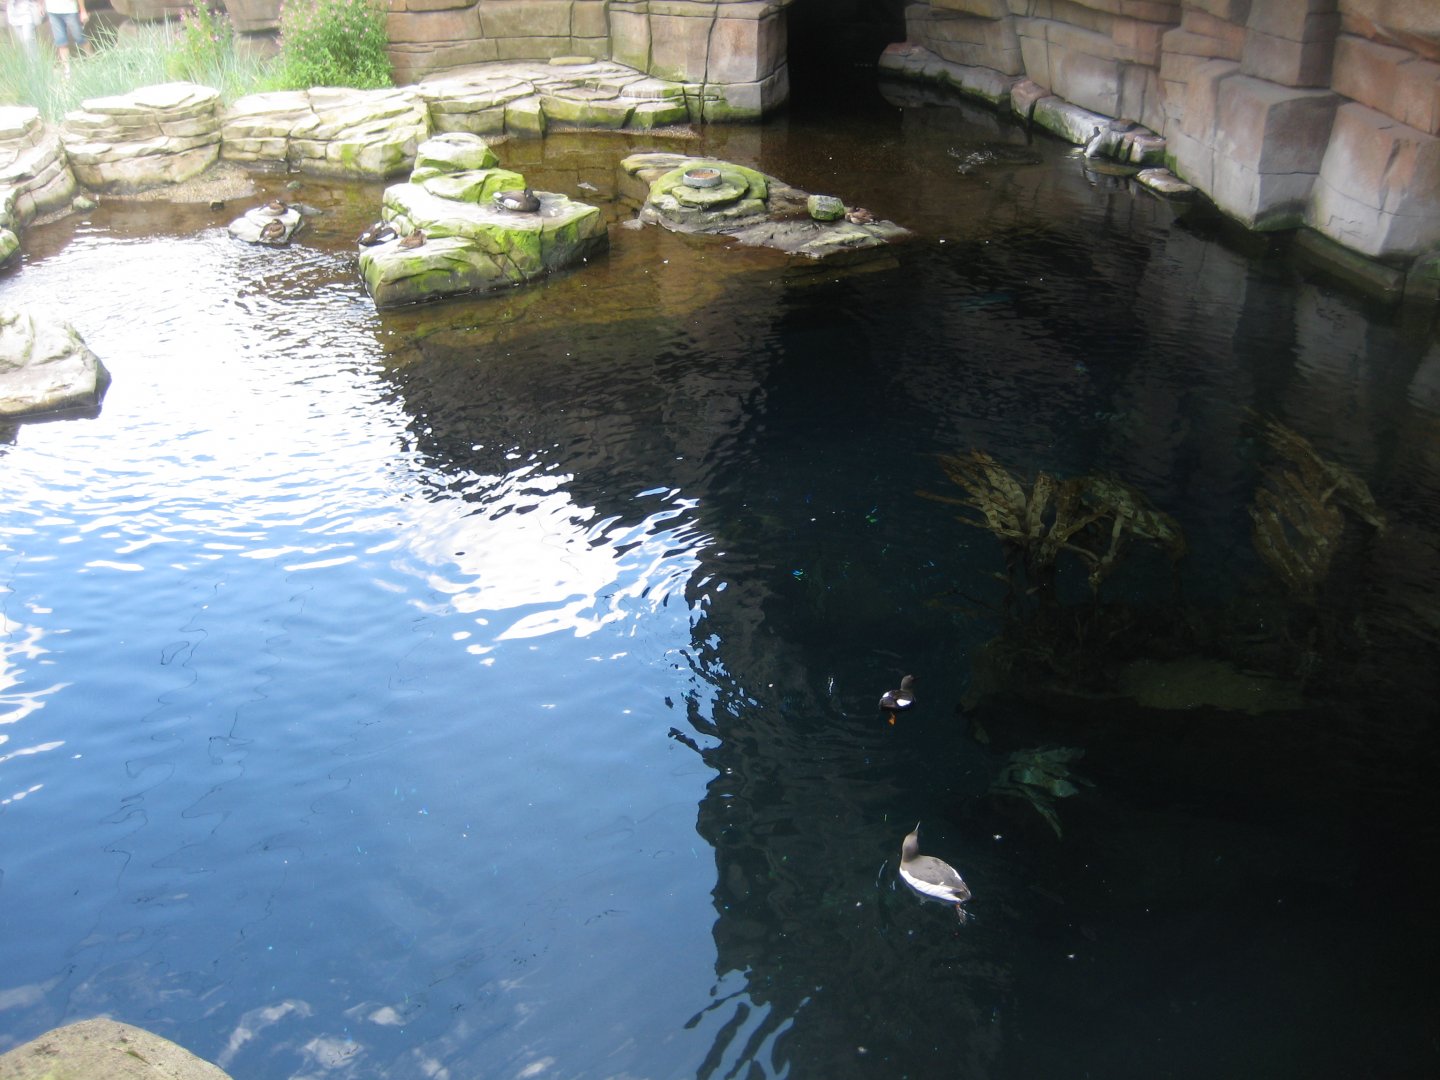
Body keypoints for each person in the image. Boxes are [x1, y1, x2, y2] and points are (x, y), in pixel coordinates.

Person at [43, 0, 90, 74]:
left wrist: (83, 10)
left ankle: (93, 59)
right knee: (61, 42)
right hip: (52, 11)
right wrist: (41, 5)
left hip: (70, 10)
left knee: (80, 38)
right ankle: (67, 70)